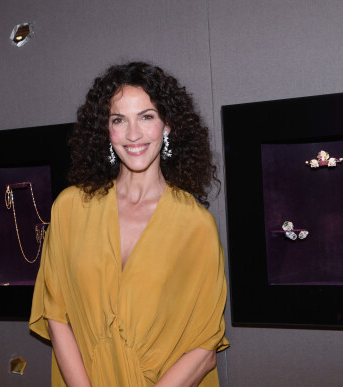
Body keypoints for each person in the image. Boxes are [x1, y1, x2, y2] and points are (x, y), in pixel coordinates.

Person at [29, 61, 229, 386]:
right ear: (105, 130)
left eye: (147, 116)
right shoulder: (69, 209)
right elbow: (56, 314)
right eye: (119, 119)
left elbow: (203, 349)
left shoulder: (196, 226)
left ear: (167, 126)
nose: (133, 134)